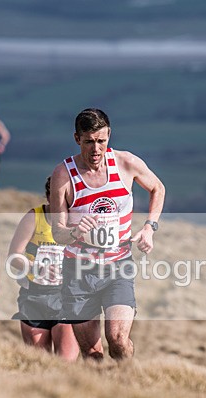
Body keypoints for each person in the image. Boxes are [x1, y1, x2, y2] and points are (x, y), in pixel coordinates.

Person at [49, 108, 166, 362]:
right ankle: (102, 396)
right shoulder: (63, 175)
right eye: (89, 142)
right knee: (92, 352)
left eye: (101, 141)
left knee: (118, 340)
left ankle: (129, 384)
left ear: (109, 136)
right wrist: (75, 231)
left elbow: (158, 187)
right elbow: (57, 232)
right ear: (77, 138)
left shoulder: (126, 163)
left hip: (118, 266)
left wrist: (150, 227)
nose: (96, 150)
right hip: (78, 271)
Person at [8, 177, 79, 362]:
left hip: (66, 297)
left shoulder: (77, 221)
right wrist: (36, 267)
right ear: (48, 197)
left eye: (65, 200)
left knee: (66, 362)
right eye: (56, 199)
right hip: (34, 297)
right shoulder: (34, 217)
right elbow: (13, 257)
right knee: (39, 363)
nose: (61, 205)